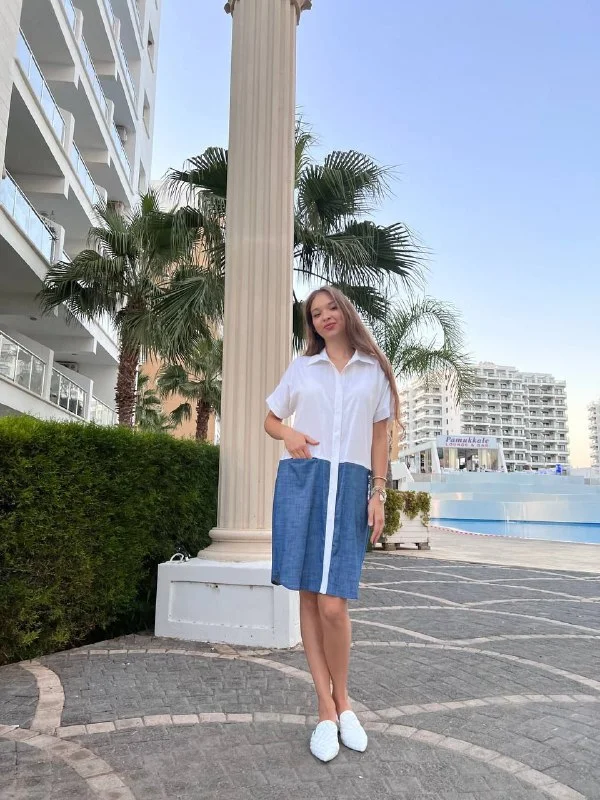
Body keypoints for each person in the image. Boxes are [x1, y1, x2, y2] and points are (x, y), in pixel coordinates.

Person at [264, 286, 399, 763]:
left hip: (352, 484)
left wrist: (378, 493)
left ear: (345, 311)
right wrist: (289, 433)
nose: (324, 316)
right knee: (308, 594)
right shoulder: (304, 367)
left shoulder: (373, 370)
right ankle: (326, 708)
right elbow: (271, 419)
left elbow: (380, 436)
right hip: (305, 480)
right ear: (311, 324)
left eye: (330, 308)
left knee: (334, 604)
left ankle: (344, 702)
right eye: (315, 313)